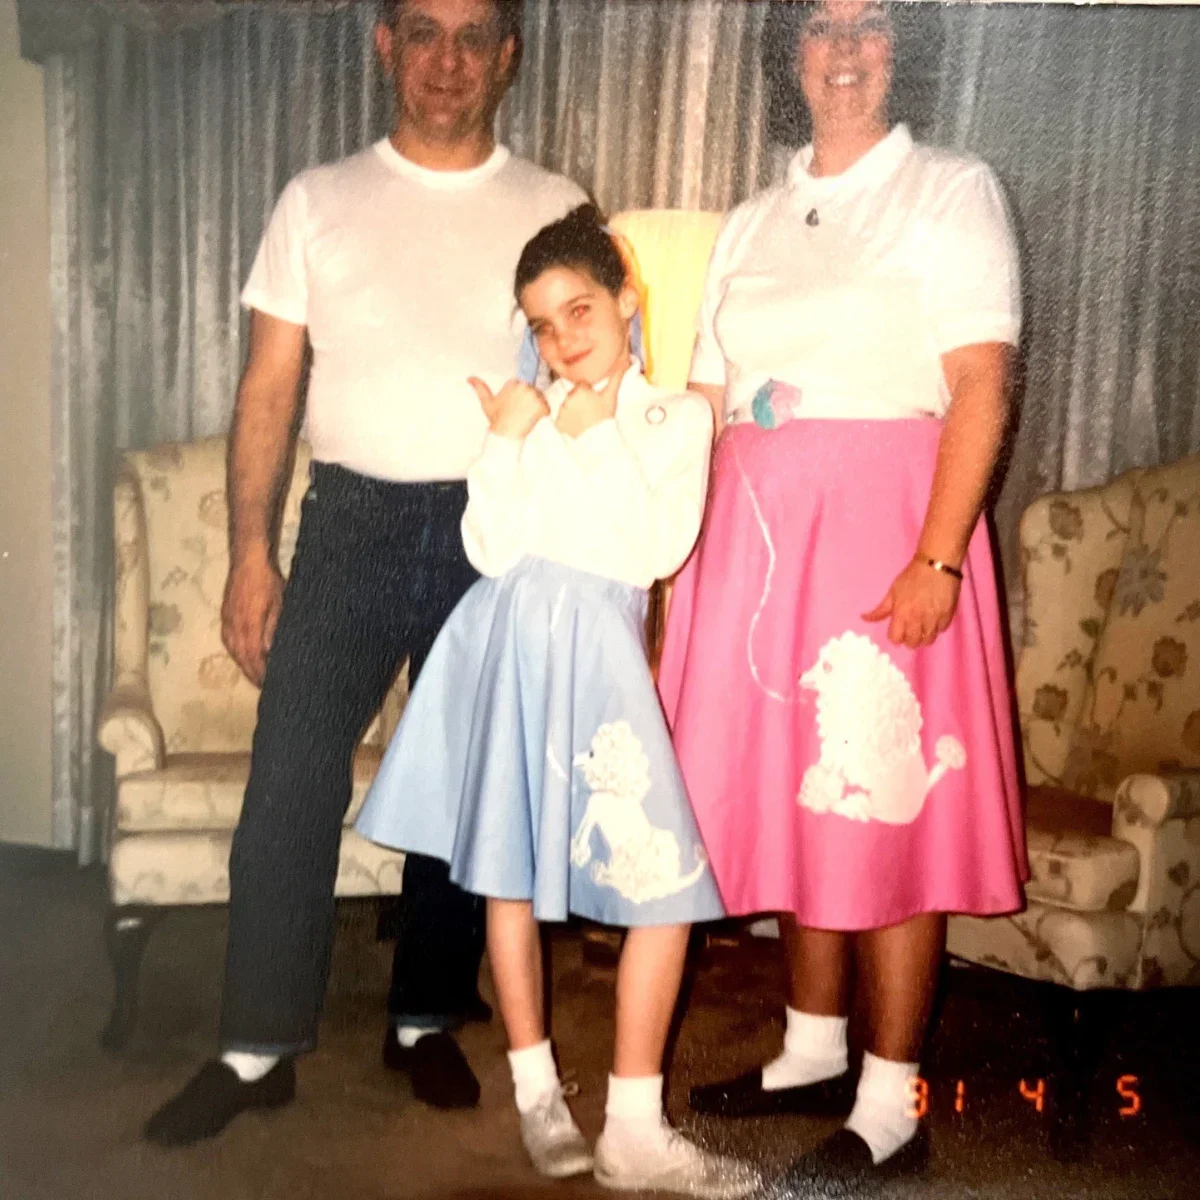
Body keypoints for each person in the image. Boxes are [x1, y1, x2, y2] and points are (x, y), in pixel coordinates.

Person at [144, 0, 586, 1148]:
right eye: (422, 32)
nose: (447, 60)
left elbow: (590, 389)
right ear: (384, 46)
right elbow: (267, 389)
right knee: (290, 776)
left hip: (493, 528)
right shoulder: (317, 200)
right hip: (345, 523)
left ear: (507, 56)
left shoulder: (555, 208)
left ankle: (426, 1017)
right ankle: (254, 1046)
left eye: (472, 35)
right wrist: (251, 551)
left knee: (457, 789)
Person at [655, 1, 1029, 1194]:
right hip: (757, 547)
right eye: (822, 25)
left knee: (886, 806)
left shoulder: (953, 189)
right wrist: (654, 542)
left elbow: (979, 385)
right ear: (792, 54)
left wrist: (938, 557)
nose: (848, 50)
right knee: (798, 800)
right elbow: (709, 400)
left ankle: (890, 1101)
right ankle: (812, 1051)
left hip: (888, 545)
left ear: (901, 48)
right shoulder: (753, 219)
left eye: (872, 23)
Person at [355, 206, 756, 1199]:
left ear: (627, 300)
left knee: (661, 889)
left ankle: (632, 1121)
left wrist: (589, 435)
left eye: (579, 309)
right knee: (509, 873)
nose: (563, 338)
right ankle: (537, 1091)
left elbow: (652, 551)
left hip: (601, 660)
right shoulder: (529, 411)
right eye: (541, 323)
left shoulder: (677, 418)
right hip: (507, 645)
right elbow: (492, 550)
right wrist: (504, 440)